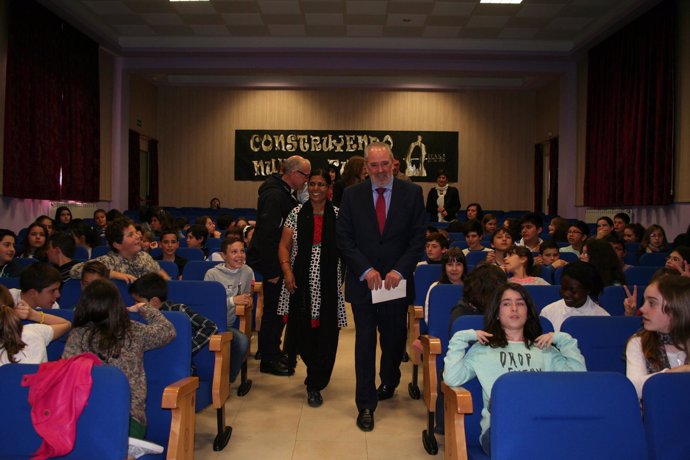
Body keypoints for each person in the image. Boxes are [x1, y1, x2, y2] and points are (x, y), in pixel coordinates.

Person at [336, 141, 426, 432]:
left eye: (384, 164)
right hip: (364, 284)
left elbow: (417, 239)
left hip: (396, 283)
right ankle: (365, 403)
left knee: (393, 338)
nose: (379, 170)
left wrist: (399, 270)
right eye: (373, 165)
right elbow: (344, 239)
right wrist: (365, 269)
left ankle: (389, 379)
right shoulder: (351, 195)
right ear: (366, 167)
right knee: (364, 341)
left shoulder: (412, 193)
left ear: (393, 163)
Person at [444, 282, 586, 455]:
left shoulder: (544, 349)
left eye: (520, 303)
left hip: (542, 425)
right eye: (506, 303)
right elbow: (452, 378)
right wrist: (461, 337)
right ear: (497, 313)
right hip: (500, 429)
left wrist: (564, 340)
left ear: (528, 311)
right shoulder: (484, 349)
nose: (514, 308)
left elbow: (578, 380)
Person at [63, 279, 176, 439]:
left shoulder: (78, 335)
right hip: (121, 414)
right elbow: (168, 330)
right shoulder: (132, 331)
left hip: (91, 412)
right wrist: (144, 307)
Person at [277, 169, 347, 407]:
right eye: (313, 184)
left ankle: (315, 381)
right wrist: (287, 271)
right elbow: (284, 247)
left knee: (327, 336)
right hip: (300, 284)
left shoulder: (338, 215)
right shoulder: (296, 214)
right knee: (302, 334)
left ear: (329, 188)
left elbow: (348, 249)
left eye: (321, 184)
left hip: (328, 287)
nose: (316, 188)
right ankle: (314, 376)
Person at [247, 155, 311, 376]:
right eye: (305, 175)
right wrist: (273, 270)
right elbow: (267, 236)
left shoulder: (284, 192)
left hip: (277, 263)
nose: (307, 180)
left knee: (279, 311)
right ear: (293, 173)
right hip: (272, 265)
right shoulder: (275, 195)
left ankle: (273, 350)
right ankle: (268, 358)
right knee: (274, 313)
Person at [626, 275, 690, 399]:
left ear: (676, 308)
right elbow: (633, 387)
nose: (642, 308)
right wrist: (678, 372)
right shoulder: (639, 342)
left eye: (652, 303)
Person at [130, 273, 218, 358]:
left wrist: (186, 350)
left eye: (138, 301)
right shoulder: (138, 314)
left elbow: (210, 327)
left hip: (176, 366)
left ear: (154, 301)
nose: (136, 305)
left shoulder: (178, 311)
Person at [204, 238, 252, 382]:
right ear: (224, 256)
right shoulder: (212, 274)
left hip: (228, 325)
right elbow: (208, 305)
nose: (239, 255)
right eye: (234, 252)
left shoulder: (247, 272)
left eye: (242, 251)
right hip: (210, 324)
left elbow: (245, 296)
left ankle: (227, 380)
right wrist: (232, 301)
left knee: (243, 342)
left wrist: (247, 300)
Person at [69, 217, 170, 283]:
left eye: (136, 233)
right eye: (131, 235)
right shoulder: (107, 261)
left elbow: (160, 274)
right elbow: (74, 271)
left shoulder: (144, 257)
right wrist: (111, 274)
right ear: (117, 244)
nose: (138, 237)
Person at [0, 284, 71, 365]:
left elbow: (67, 324)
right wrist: (33, 315)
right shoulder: (31, 332)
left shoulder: (30, 333)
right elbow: (66, 324)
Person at [540, 261, 609, 331]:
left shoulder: (602, 317)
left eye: (573, 291)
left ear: (588, 290)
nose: (566, 294)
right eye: (563, 288)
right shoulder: (548, 312)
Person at [423, 247, 466, 323]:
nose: (454, 269)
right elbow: (428, 318)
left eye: (458, 264)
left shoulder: (471, 287)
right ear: (444, 267)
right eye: (450, 264)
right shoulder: (436, 287)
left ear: (464, 267)